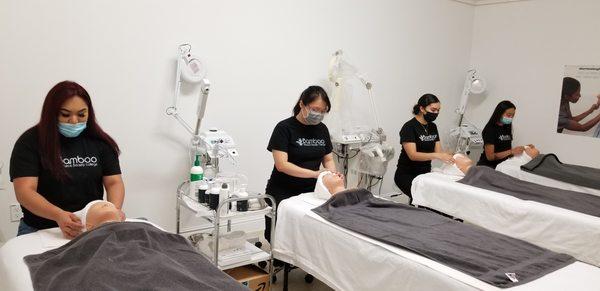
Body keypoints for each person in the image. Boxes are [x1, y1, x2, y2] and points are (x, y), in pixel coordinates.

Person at [10, 81, 124, 239]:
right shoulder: (30, 142)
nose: (74, 121)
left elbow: (114, 182)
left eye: (82, 114)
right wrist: (58, 215)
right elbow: (25, 191)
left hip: (89, 229)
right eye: (65, 114)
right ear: (52, 113)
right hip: (40, 230)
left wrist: (113, 210)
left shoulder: (100, 142)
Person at [264, 85, 337, 241]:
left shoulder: (322, 129)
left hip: (312, 190)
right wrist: (316, 174)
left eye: (323, 111)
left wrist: (330, 175)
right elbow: (282, 165)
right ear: (302, 104)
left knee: (307, 234)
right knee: (280, 237)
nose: (318, 114)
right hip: (283, 189)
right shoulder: (284, 128)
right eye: (315, 109)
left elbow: (328, 159)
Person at [394, 94, 453, 200]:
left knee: (433, 199)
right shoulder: (409, 127)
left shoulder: (433, 127)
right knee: (422, 199)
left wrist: (450, 155)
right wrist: (438, 155)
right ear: (422, 108)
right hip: (406, 174)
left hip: (425, 174)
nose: (436, 113)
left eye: (438, 110)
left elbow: (439, 151)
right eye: (433, 110)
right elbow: (413, 155)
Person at [477, 100, 530, 168]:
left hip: (503, 165)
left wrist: (524, 148)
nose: (510, 118)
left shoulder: (507, 127)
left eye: (512, 116)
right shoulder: (490, 130)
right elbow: (490, 157)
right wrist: (511, 151)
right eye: (508, 115)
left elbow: (505, 149)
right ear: (499, 113)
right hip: (488, 167)